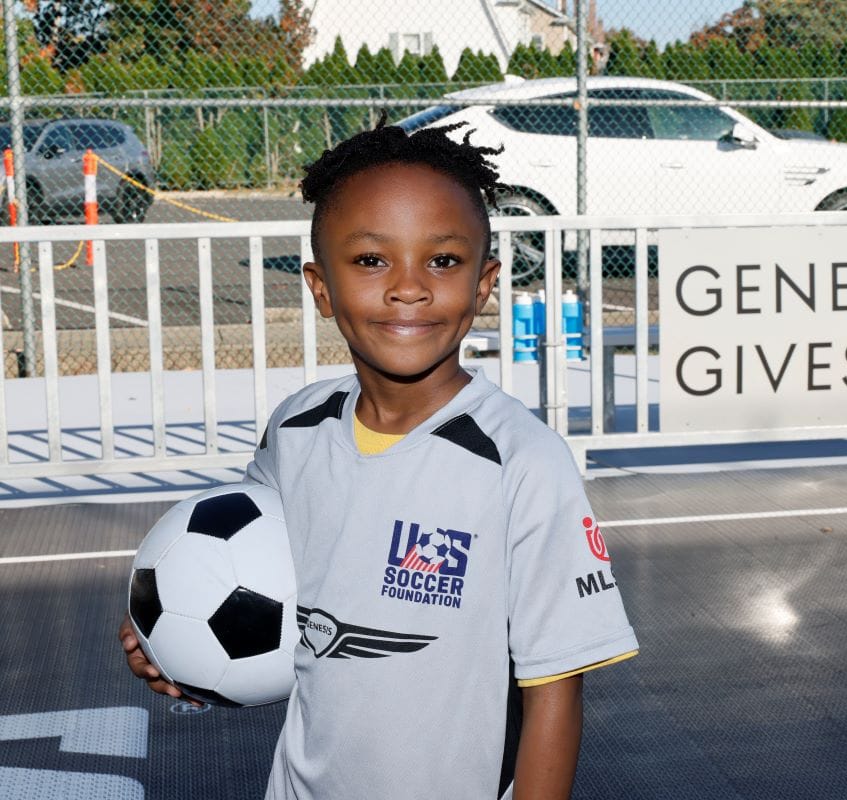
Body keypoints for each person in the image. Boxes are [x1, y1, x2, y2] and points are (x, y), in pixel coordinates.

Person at [119, 117, 639, 799]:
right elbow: (244, 574)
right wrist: (169, 634)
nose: (408, 288)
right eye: (371, 260)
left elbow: (555, 694)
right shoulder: (296, 429)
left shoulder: (521, 463)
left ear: (484, 284)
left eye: (442, 261)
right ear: (320, 286)